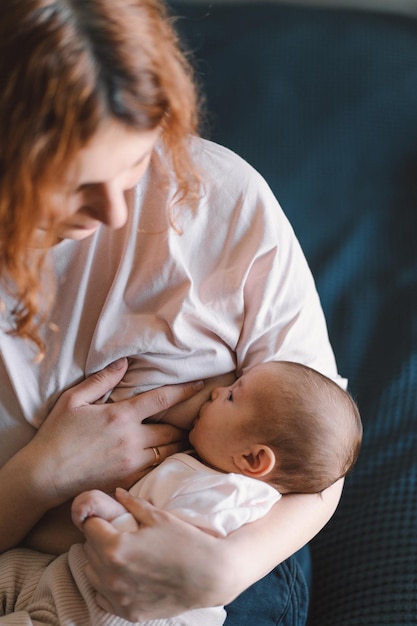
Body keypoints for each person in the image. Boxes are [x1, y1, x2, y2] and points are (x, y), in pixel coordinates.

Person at [0, 0, 348, 624]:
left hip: (227, 557)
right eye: (69, 182)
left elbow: (315, 462)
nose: (114, 215)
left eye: (133, 163)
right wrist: (37, 477)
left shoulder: (223, 198)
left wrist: (221, 571)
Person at [0, 361, 362, 625]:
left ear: (253, 458)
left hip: (107, 611)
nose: (219, 390)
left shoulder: (223, 497)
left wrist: (103, 512)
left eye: (232, 397)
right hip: (67, 575)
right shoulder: (215, 478)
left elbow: (156, 549)